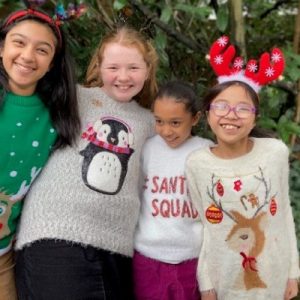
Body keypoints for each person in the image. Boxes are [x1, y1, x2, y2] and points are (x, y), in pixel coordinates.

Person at [15, 25, 159, 300]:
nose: (123, 76)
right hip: (55, 237)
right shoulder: (75, 97)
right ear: (98, 66)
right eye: (113, 67)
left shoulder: (152, 122)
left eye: (134, 68)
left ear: (148, 70)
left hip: (118, 249)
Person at [185, 36, 300, 300]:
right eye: (221, 106)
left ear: (255, 117)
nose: (231, 115)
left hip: (274, 277)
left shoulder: (275, 152)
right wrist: (206, 284)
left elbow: (284, 215)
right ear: (208, 113)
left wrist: (292, 271)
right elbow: (202, 227)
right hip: (224, 281)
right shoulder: (197, 163)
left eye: (243, 108)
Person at [0, 4, 80, 299]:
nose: (27, 56)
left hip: (3, 257)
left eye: (42, 50)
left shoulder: (57, 118)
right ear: (1, 47)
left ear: (52, 64)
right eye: (18, 42)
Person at [133, 80, 212, 300]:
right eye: (159, 121)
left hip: (192, 260)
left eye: (176, 122)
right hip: (148, 258)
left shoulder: (206, 152)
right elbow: (136, 196)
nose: (166, 130)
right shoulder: (147, 148)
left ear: (195, 118)